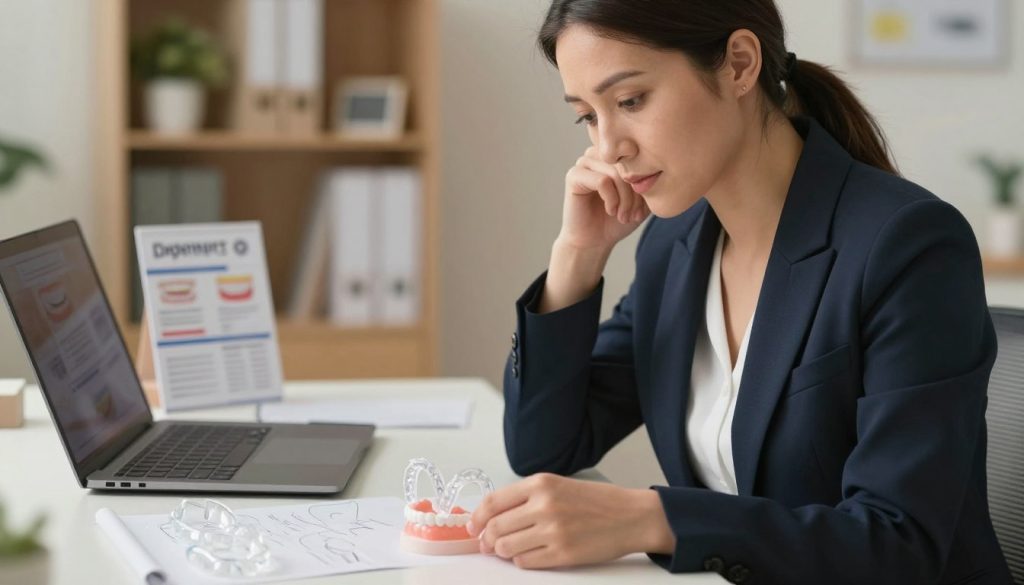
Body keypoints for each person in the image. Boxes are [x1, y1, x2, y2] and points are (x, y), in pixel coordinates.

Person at [464, 1, 1014, 583]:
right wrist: (577, 256)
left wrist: (656, 518)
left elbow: (900, 543)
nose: (608, 148)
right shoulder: (672, 245)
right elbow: (543, 448)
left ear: (739, 65)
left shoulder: (906, 244)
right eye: (588, 117)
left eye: (629, 101)